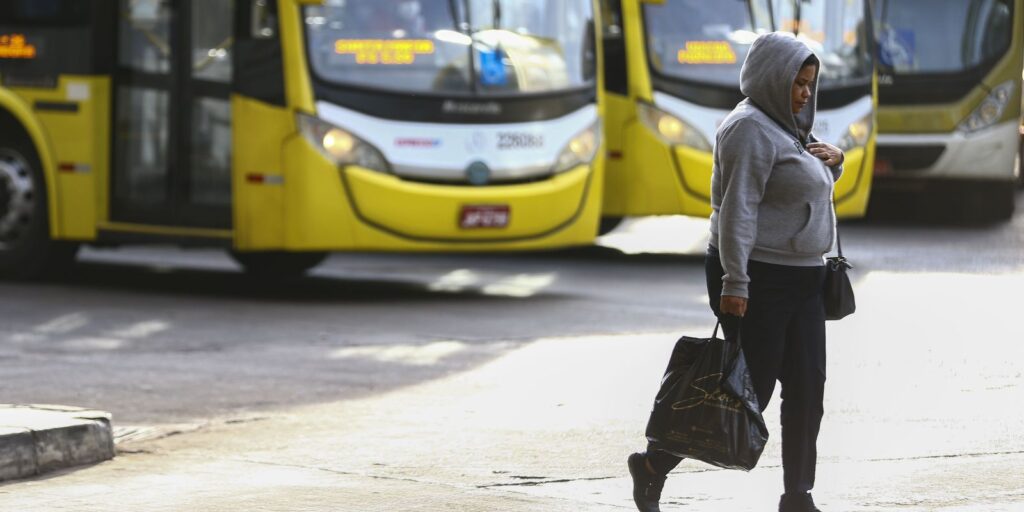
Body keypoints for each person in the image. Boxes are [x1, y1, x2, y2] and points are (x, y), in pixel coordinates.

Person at [627, 32, 845, 512]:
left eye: (810, 83)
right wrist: (736, 282)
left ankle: (798, 496)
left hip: (805, 278)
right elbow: (737, 210)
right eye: (797, 83)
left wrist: (836, 161)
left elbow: (799, 185)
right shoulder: (748, 128)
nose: (805, 93)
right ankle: (652, 464)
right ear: (772, 79)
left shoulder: (790, 126)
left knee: (808, 389)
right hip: (758, 276)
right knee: (746, 393)